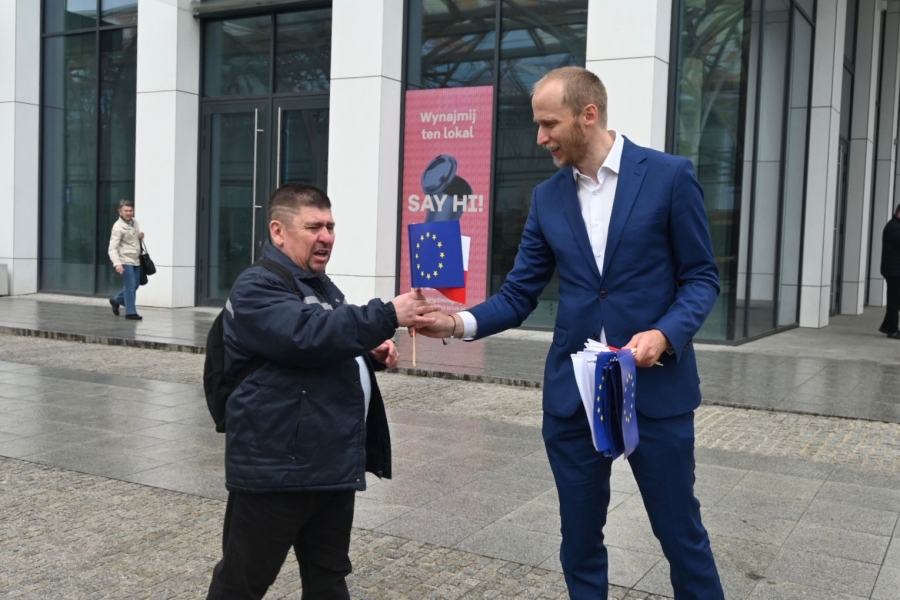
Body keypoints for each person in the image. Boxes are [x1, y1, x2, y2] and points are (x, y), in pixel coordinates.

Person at [418, 67, 724, 599]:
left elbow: (701, 277)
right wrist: (455, 322)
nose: (540, 138)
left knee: (681, 535)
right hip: (574, 398)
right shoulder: (547, 197)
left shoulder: (670, 175)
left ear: (588, 114)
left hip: (656, 389)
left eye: (548, 124)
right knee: (579, 541)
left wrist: (664, 334)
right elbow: (519, 294)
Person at [206, 183, 438, 600]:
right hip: (278, 467)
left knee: (328, 578)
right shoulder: (258, 284)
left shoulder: (318, 284)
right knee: (242, 582)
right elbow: (304, 335)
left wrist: (365, 353)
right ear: (278, 231)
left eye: (330, 227)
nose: (326, 237)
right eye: (313, 227)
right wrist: (387, 315)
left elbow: (323, 343)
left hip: (329, 462)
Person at [108, 199, 144, 321]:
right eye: (126, 211)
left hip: (136, 259)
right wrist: (117, 264)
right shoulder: (118, 227)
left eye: (130, 210)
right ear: (120, 212)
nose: (128, 213)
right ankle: (130, 312)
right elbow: (112, 248)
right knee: (130, 286)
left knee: (136, 284)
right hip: (124, 260)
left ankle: (117, 300)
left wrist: (139, 237)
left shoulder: (134, 222)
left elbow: (132, 239)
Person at [879, 203, 900, 339]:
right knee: (894, 301)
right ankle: (892, 330)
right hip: (894, 271)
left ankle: (888, 326)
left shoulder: (894, 225)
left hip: (894, 270)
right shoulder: (894, 227)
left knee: (895, 300)